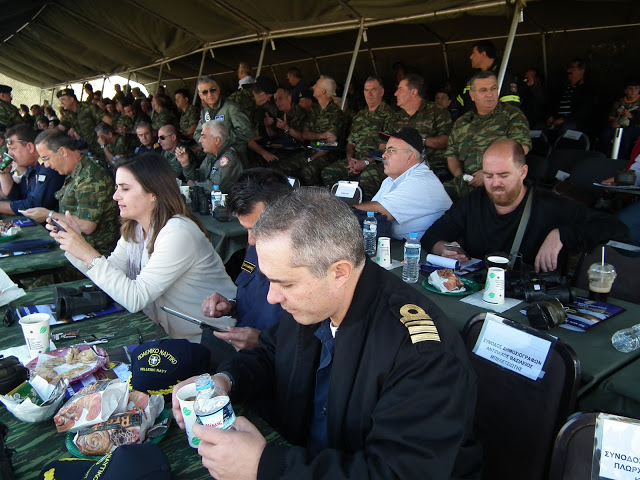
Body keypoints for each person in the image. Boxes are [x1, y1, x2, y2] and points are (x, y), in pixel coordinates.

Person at [172, 187, 480, 480]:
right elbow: (270, 352)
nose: (272, 297)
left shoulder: (421, 354)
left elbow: (395, 472)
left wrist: (265, 466)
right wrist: (226, 381)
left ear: (339, 272)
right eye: (270, 281)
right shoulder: (314, 302)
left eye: (286, 284)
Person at [46, 153, 236, 342]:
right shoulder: (136, 228)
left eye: (125, 188)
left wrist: (86, 252)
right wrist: (74, 245)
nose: (115, 196)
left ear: (153, 193)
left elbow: (135, 298)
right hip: (170, 337)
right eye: (117, 188)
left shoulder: (178, 232)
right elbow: (111, 277)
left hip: (210, 341)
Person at [423, 139, 630, 272]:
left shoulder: (549, 204)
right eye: (488, 176)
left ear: (522, 172)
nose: (495, 184)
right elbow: (432, 235)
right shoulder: (473, 202)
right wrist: (443, 248)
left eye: (503, 175)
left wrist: (561, 234)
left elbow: (616, 228)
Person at [200, 168, 291, 367]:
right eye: (246, 229)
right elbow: (255, 300)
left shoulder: (308, 265)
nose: (250, 240)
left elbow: (317, 343)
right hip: (240, 356)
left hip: (277, 367)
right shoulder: (255, 247)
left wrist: (264, 340)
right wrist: (230, 306)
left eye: (256, 228)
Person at [24, 130, 120, 255]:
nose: (46, 165)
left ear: (63, 151)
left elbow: (87, 225)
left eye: (47, 159)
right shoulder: (77, 172)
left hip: (94, 255)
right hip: (79, 250)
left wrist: (49, 214)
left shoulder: (90, 177)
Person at [445, 70, 531, 199]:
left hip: (500, 182)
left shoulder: (512, 115)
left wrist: (487, 174)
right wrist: (460, 177)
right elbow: (452, 154)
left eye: (493, 89)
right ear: (472, 95)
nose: (490, 94)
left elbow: (521, 148)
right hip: (467, 183)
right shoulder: (462, 122)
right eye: (483, 90)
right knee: (433, 199)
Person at [354, 127, 452, 240]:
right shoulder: (390, 180)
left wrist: (338, 210)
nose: (383, 155)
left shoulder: (421, 181)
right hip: (397, 247)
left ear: (411, 157)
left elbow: (379, 213)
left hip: (419, 252)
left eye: (391, 150)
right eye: (385, 150)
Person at [321, 76, 395, 200]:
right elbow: (351, 144)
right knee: (328, 172)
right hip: (356, 160)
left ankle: (363, 213)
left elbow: (384, 148)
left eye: (373, 90)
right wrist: (351, 160)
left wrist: (365, 162)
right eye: (366, 90)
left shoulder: (389, 115)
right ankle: (339, 207)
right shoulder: (359, 116)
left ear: (381, 92)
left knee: (365, 179)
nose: (369, 94)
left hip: (378, 162)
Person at [383, 74, 452, 180]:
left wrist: (421, 141)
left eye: (400, 89)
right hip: (401, 170)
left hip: (433, 170)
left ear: (414, 92)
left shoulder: (437, 111)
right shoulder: (395, 117)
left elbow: (448, 141)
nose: (396, 93)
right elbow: (383, 144)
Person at [0, 124, 65, 215]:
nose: (10, 154)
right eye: (9, 150)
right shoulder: (32, 167)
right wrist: (4, 174)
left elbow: (34, 206)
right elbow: (17, 197)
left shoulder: (48, 167)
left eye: (13, 149)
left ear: (30, 147)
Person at [193, 75, 253, 167]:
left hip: (235, 159)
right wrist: (209, 142)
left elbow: (247, 133)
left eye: (212, 90)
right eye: (205, 92)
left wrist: (221, 139)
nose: (209, 94)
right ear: (200, 95)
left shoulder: (231, 108)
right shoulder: (204, 112)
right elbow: (197, 134)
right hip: (214, 160)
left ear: (218, 89)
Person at [456, 40, 520, 115]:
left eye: (474, 53)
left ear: (483, 54)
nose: (471, 57)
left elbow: (511, 106)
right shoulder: (473, 77)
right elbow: (462, 101)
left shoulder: (503, 76)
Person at [177, 120, 243, 193]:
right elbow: (199, 178)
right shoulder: (211, 156)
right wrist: (186, 164)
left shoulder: (229, 158)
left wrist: (194, 186)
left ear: (217, 140)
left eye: (203, 136)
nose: (200, 140)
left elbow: (216, 187)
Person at [56, 88, 112, 155]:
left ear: (72, 99)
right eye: (60, 100)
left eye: (63, 99)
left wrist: (109, 141)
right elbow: (59, 129)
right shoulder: (69, 115)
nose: (61, 102)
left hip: (105, 146)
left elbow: (108, 121)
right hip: (92, 149)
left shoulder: (87, 107)